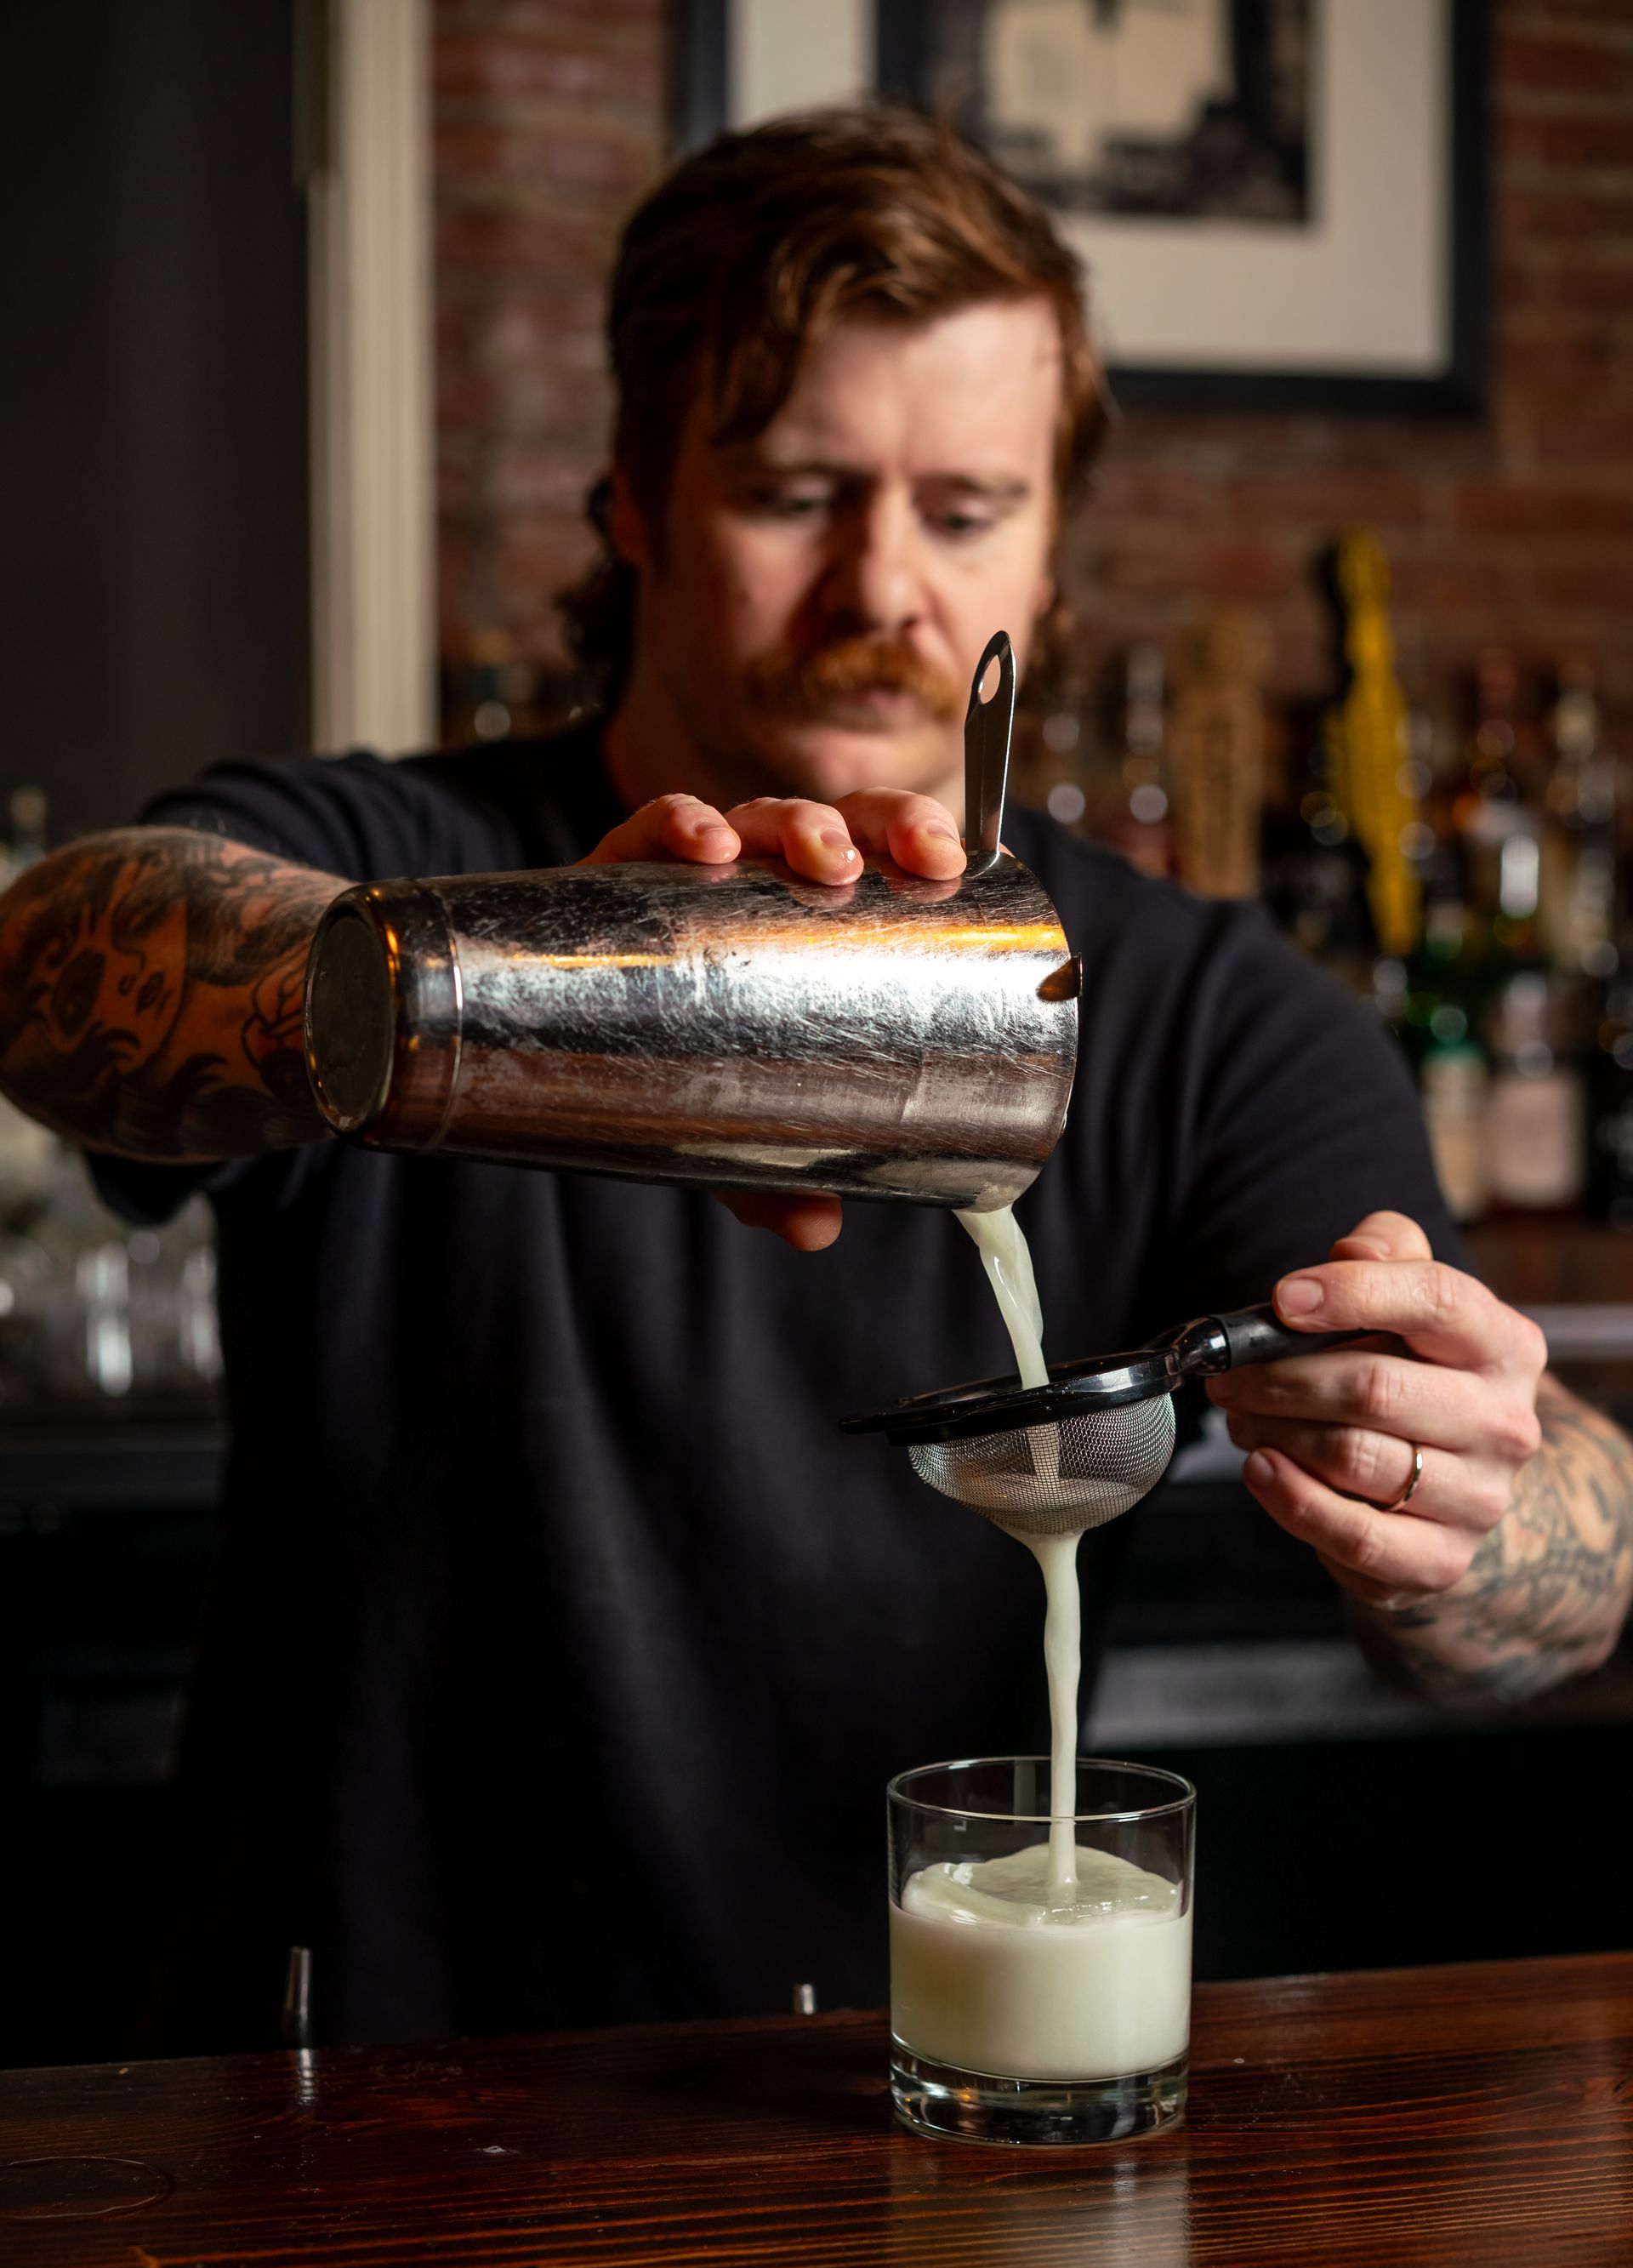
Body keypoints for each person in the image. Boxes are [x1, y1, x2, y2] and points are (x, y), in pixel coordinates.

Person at [2, 109, 1629, 2051]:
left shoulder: (1209, 1010)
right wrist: (502, 988)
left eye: (963, 509)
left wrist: (1479, 1490)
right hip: (350, 2117)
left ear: (1050, 539)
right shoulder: (392, 850)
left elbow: (1564, 1585)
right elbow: (57, 966)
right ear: (628, 498)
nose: (883, 587)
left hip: (901, 2105)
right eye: (794, 490)